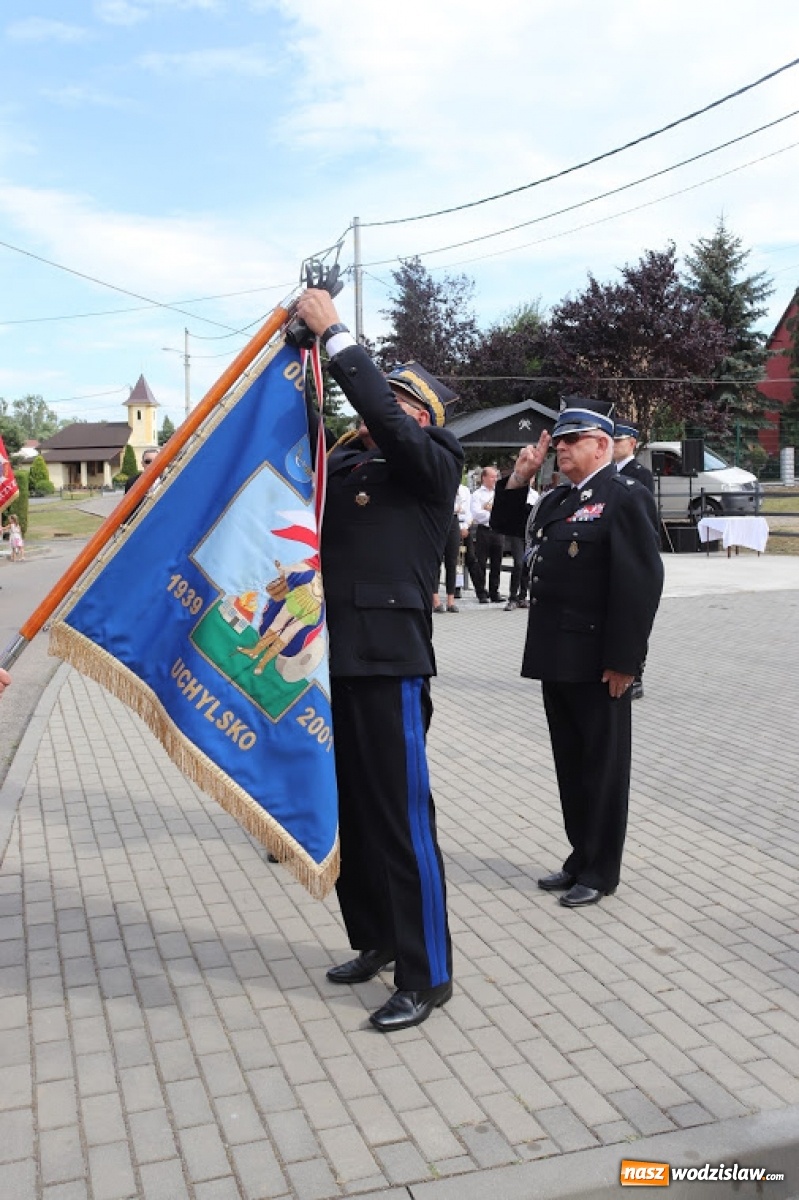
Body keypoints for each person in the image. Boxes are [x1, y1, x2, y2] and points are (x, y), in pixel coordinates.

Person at [295, 287, 462, 1031]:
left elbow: (390, 424)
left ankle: (428, 976)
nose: (374, 413)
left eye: (393, 404)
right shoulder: (348, 466)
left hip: (390, 662)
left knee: (401, 823)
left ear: (418, 416)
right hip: (333, 659)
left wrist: (337, 339)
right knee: (356, 818)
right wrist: (302, 357)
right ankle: (377, 943)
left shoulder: (431, 462)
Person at [491, 396, 663, 908]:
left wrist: (625, 663)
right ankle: (579, 853)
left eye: (571, 440)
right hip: (555, 654)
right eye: (558, 441)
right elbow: (507, 527)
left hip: (598, 661)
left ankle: (601, 870)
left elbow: (640, 584)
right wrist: (519, 477)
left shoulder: (624, 496)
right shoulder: (559, 499)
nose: (560, 448)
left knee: (603, 768)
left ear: (601, 445)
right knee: (571, 763)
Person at [613, 421, 656, 699]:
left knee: (634, 615)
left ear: (632, 443)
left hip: (631, 550)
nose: (614, 445)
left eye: (619, 440)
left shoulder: (640, 474)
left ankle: (636, 673)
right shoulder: (606, 473)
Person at [470, 466, 505, 603]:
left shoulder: (500, 493)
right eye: (492, 477)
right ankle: (481, 592)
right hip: (484, 531)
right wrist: (492, 513)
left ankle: (494, 592)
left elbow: (503, 512)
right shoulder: (477, 494)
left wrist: (491, 511)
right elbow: (477, 514)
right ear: (484, 477)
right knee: (481, 563)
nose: (495, 479)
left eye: (496, 476)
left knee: (497, 563)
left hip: (498, 531)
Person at [504, 478, 540, 611]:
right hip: (516, 533)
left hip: (529, 533)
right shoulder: (514, 493)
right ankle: (512, 597)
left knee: (526, 564)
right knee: (518, 563)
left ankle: (523, 596)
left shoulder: (535, 495)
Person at [433, 483, 468, 613]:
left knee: (452, 561)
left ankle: (450, 600)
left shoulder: (461, 488)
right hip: (439, 521)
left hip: (453, 521)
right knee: (436, 561)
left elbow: (463, 508)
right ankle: (435, 600)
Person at [613, 422, 655, 494]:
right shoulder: (610, 471)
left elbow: (644, 503)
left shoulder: (642, 474)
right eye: (611, 441)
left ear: (632, 443)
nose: (612, 445)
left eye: (617, 441)